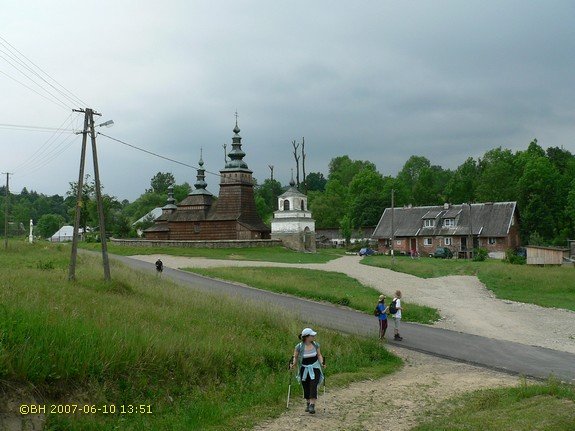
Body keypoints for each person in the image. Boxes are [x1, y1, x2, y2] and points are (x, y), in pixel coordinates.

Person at [289, 327, 325, 414]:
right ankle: (308, 403)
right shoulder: (299, 346)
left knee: (313, 384)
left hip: (315, 367)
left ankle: (312, 405)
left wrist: (322, 363)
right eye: (312, 335)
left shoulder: (316, 345)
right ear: (307, 337)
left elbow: (319, 355)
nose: (314, 336)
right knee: (306, 385)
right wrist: (293, 364)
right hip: (304, 368)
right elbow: (295, 357)